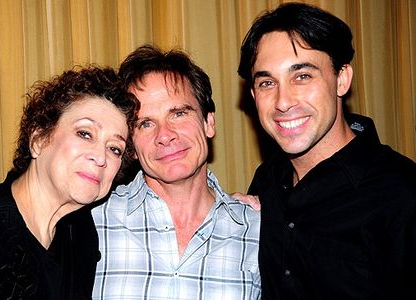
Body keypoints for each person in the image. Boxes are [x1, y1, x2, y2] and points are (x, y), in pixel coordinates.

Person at [237, 2, 416, 300]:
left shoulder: (402, 194)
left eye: (302, 76)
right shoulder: (267, 181)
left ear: (341, 79)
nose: (283, 102)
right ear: (254, 96)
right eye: (267, 82)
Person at [92, 45, 261, 299]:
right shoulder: (90, 221)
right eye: (145, 123)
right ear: (131, 146)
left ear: (209, 123)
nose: (165, 135)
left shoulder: (259, 229)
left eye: (179, 113)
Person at [0, 66, 138, 299]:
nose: (100, 157)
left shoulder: (81, 236)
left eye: (114, 148)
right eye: (85, 133)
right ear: (38, 139)